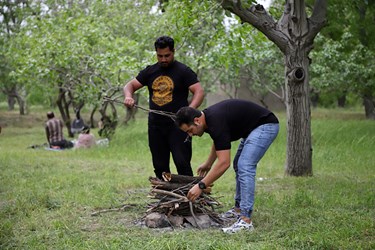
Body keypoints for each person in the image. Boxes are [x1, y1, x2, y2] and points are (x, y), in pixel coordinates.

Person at [174, 99, 279, 234]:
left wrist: (201, 185)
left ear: (197, 121)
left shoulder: (215, 120)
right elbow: (219, 141)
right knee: (239, 164)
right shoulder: (208, 120)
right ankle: (238, 210)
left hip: (265, 125)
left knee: (245, 165)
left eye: (190, 130)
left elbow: (224, 163)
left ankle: (246, 221)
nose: (190, 135)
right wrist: (208, 163)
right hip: (252, 129)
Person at [123, 36, 204, 179]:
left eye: (167, 55)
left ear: (173, 52)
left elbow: (199, 91)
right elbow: (129, 86)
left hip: (179, 126)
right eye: (160, 56)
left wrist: (189, 111)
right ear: (156, 53)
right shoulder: (150, 71)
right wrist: (128, 96)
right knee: (159, 165)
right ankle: (165, 197)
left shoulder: (183, 71)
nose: (163, 59)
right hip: (155, 126)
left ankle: (187, 196)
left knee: (182, 162)